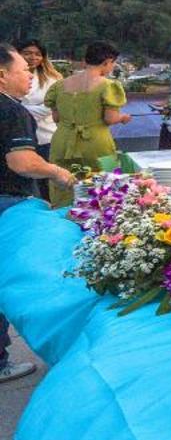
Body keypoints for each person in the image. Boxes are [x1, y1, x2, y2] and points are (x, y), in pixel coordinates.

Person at [1, 43, 77, 383]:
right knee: (16, 282)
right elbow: (21, 162)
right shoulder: (12, 111)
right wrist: (57, 172)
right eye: (24, 71)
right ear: (2, 75)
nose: (30, 76)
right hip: (7, 206)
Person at [45, 41, 130, 209]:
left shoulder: (59, 85)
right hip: (96, 142)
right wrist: (123, 118)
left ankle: (63, 217)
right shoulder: (108, 85)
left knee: (62, 182)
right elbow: (110, 118)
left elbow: (56, 118)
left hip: (63, 141)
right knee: (104, 182)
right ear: (108, 61)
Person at [17, 40, 59, 200]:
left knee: (47, 184)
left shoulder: (52, 79)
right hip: (20, 139)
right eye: (27, 53)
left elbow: (50, 108)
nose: (32, 57)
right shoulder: (7, 77)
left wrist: (18, 109)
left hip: (46, 138)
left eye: (37, 54)